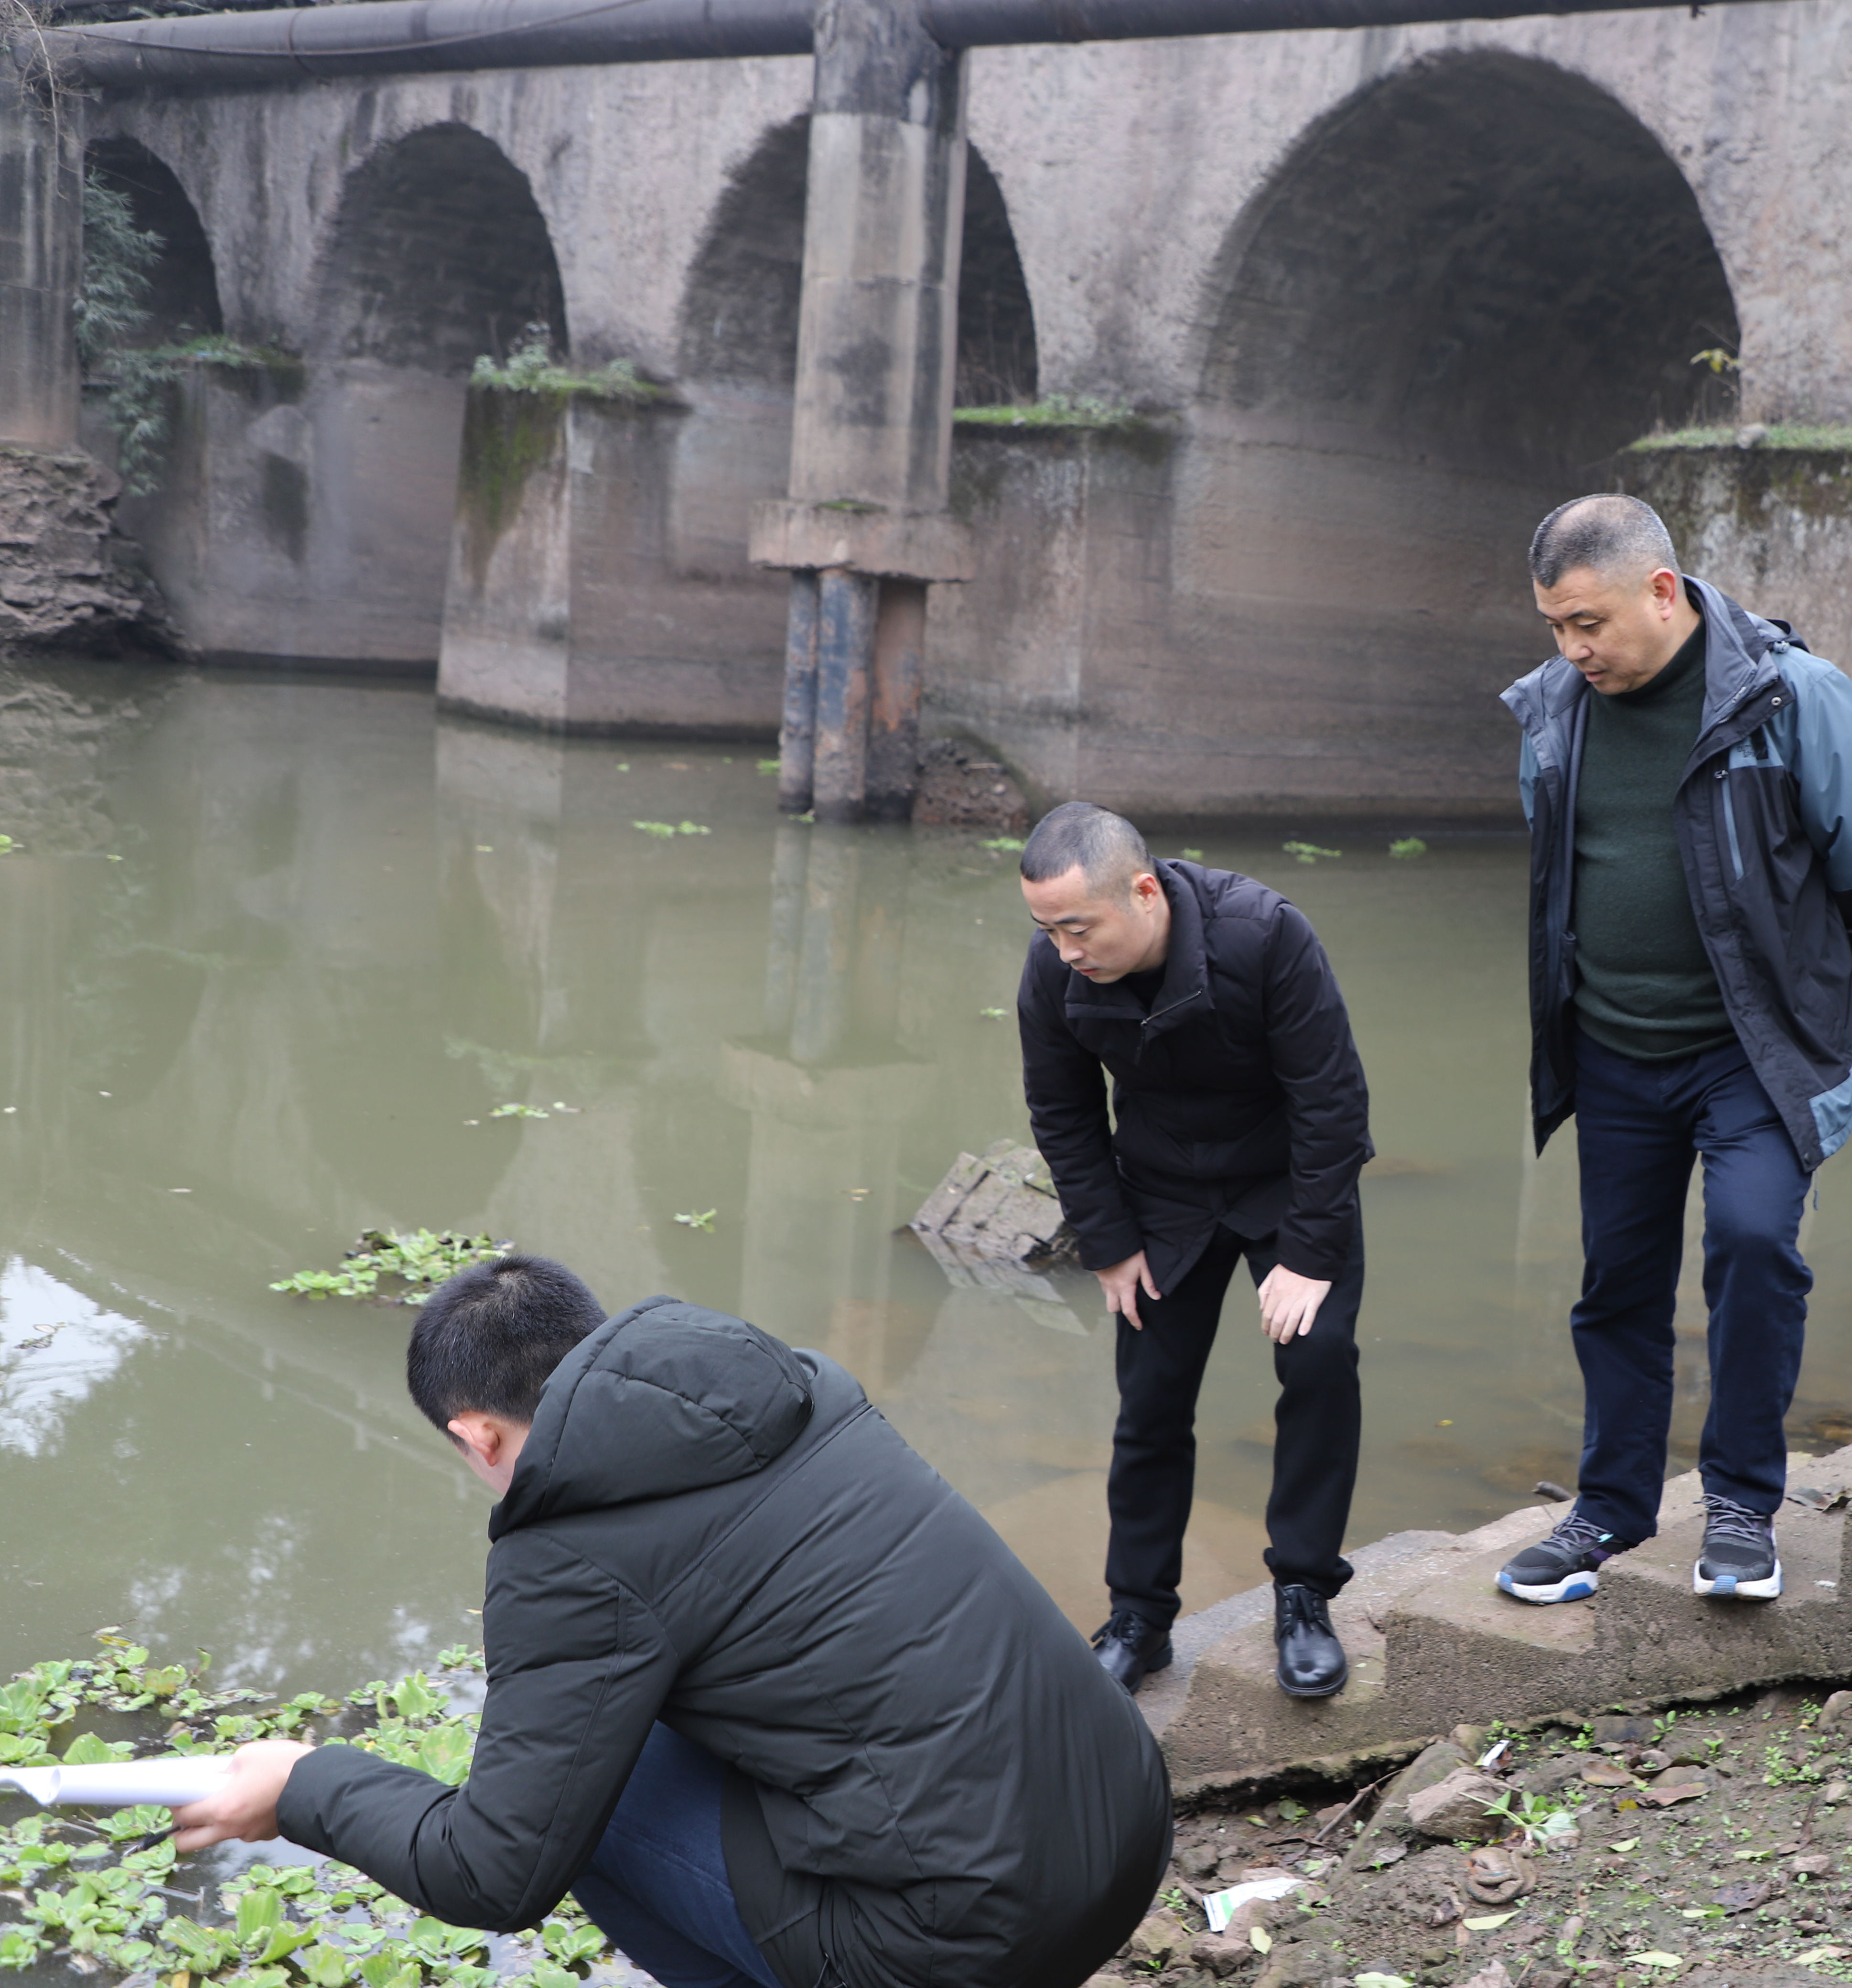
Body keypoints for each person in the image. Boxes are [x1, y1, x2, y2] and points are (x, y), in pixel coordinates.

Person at [169, 1255, 1171, 1988]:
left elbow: (494, 1871)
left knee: (580, 1815)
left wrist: (306, 1782)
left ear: (474, 1433)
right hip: (1126, 1826)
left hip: (976, 1940)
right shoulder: (798, 1386)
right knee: (625, 1741)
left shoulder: (565, 1552)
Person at [1494, 493, 1852, 1607]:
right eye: (1554, 627)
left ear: (1662, 592)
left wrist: (1777, 982)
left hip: (1753, 1053)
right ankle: (1609, 1510)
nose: (1572, 648)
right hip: (1615, 1049)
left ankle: (1738, 1509)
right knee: (1616, 1281)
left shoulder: (1791, 699)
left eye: (1589, 622)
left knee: (1752, 1245)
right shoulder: (1553, 712)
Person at [1014, 802, 1372, 1700]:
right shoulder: (1054, 972)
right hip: (1161, 1193)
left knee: (1320, 1361)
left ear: (1143, 892)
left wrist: (1311, 1254)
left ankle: (1304, 1594)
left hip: (1285, 1180)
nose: (1065, 949)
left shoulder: (1264, 935)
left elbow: (1332, 1102)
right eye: (1046, 930)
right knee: (1151, 1401)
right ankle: (1139, 1618)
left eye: (1077, 927)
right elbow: (1062, 1111)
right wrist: (1107, 1243)